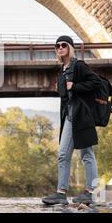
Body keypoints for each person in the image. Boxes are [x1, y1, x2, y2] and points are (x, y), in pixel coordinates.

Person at [42, 35, 102, 206]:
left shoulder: (79, 66)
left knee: (86, 154)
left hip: (82, 116)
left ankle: (90, 192)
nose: (60, 48)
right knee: (63, 154)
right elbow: (64, 98)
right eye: (57, 46)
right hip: (69, 116)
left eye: (64, 45)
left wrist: (75, 86)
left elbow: (96, 82)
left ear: (70, 48)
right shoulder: (61, 70)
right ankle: (61, 193)